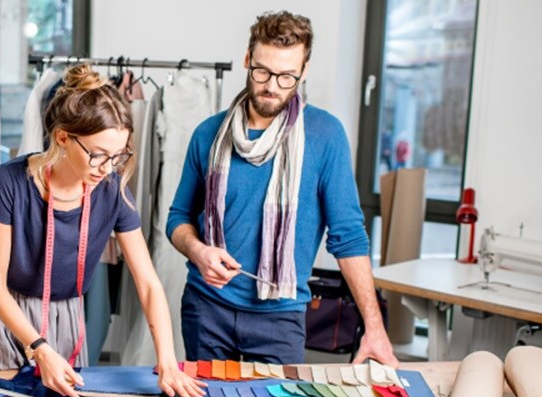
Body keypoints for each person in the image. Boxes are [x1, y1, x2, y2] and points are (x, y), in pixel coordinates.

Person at [0, 64, 206, 397]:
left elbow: (148, 284)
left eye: (118, 156)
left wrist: (166, 358)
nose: (107, 168)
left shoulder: (113, 190)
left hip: (64, 317)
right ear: (63, 137)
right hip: (5, 313)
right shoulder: (11, 181)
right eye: (98, 154)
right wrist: (39, 349)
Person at [166, 11, 399, 368]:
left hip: (280, 318)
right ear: (247, 59)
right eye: (262, 72)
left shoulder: (325, 136)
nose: (272, 86)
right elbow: (178, 219)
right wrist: (197, 251)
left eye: (287, 76)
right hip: (206, 309)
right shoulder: (208, 135)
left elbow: (348, 236)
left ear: (303, 72)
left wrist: (375, 327)